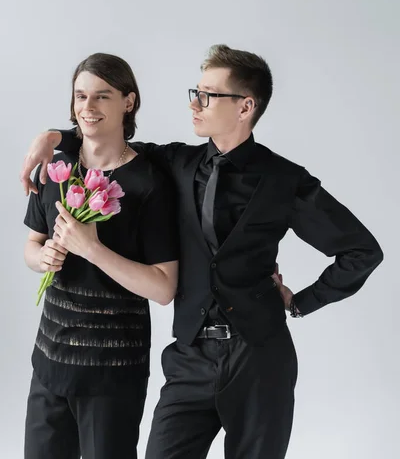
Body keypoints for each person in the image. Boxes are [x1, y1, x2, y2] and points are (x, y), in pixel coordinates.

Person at [21, 44, 383, 459]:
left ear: (246, 106)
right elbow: (107, 136)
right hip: (190, 356)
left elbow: (361, 250)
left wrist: (300, 302)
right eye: (196, 91)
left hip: (260, 359)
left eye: (208, 95)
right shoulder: (176, 162)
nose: (195, 102)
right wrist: (53, 136)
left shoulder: (286, 180)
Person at [22, 53, 178, 459]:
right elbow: (30, 246)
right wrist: (44, 259)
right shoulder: (57, 168)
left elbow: (163, 288)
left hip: (112, 372)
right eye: (80, 96)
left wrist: (91, 249)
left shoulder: (149, 184)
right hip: (50, 361)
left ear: (128, 102)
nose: (87, 109)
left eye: (101, 97)